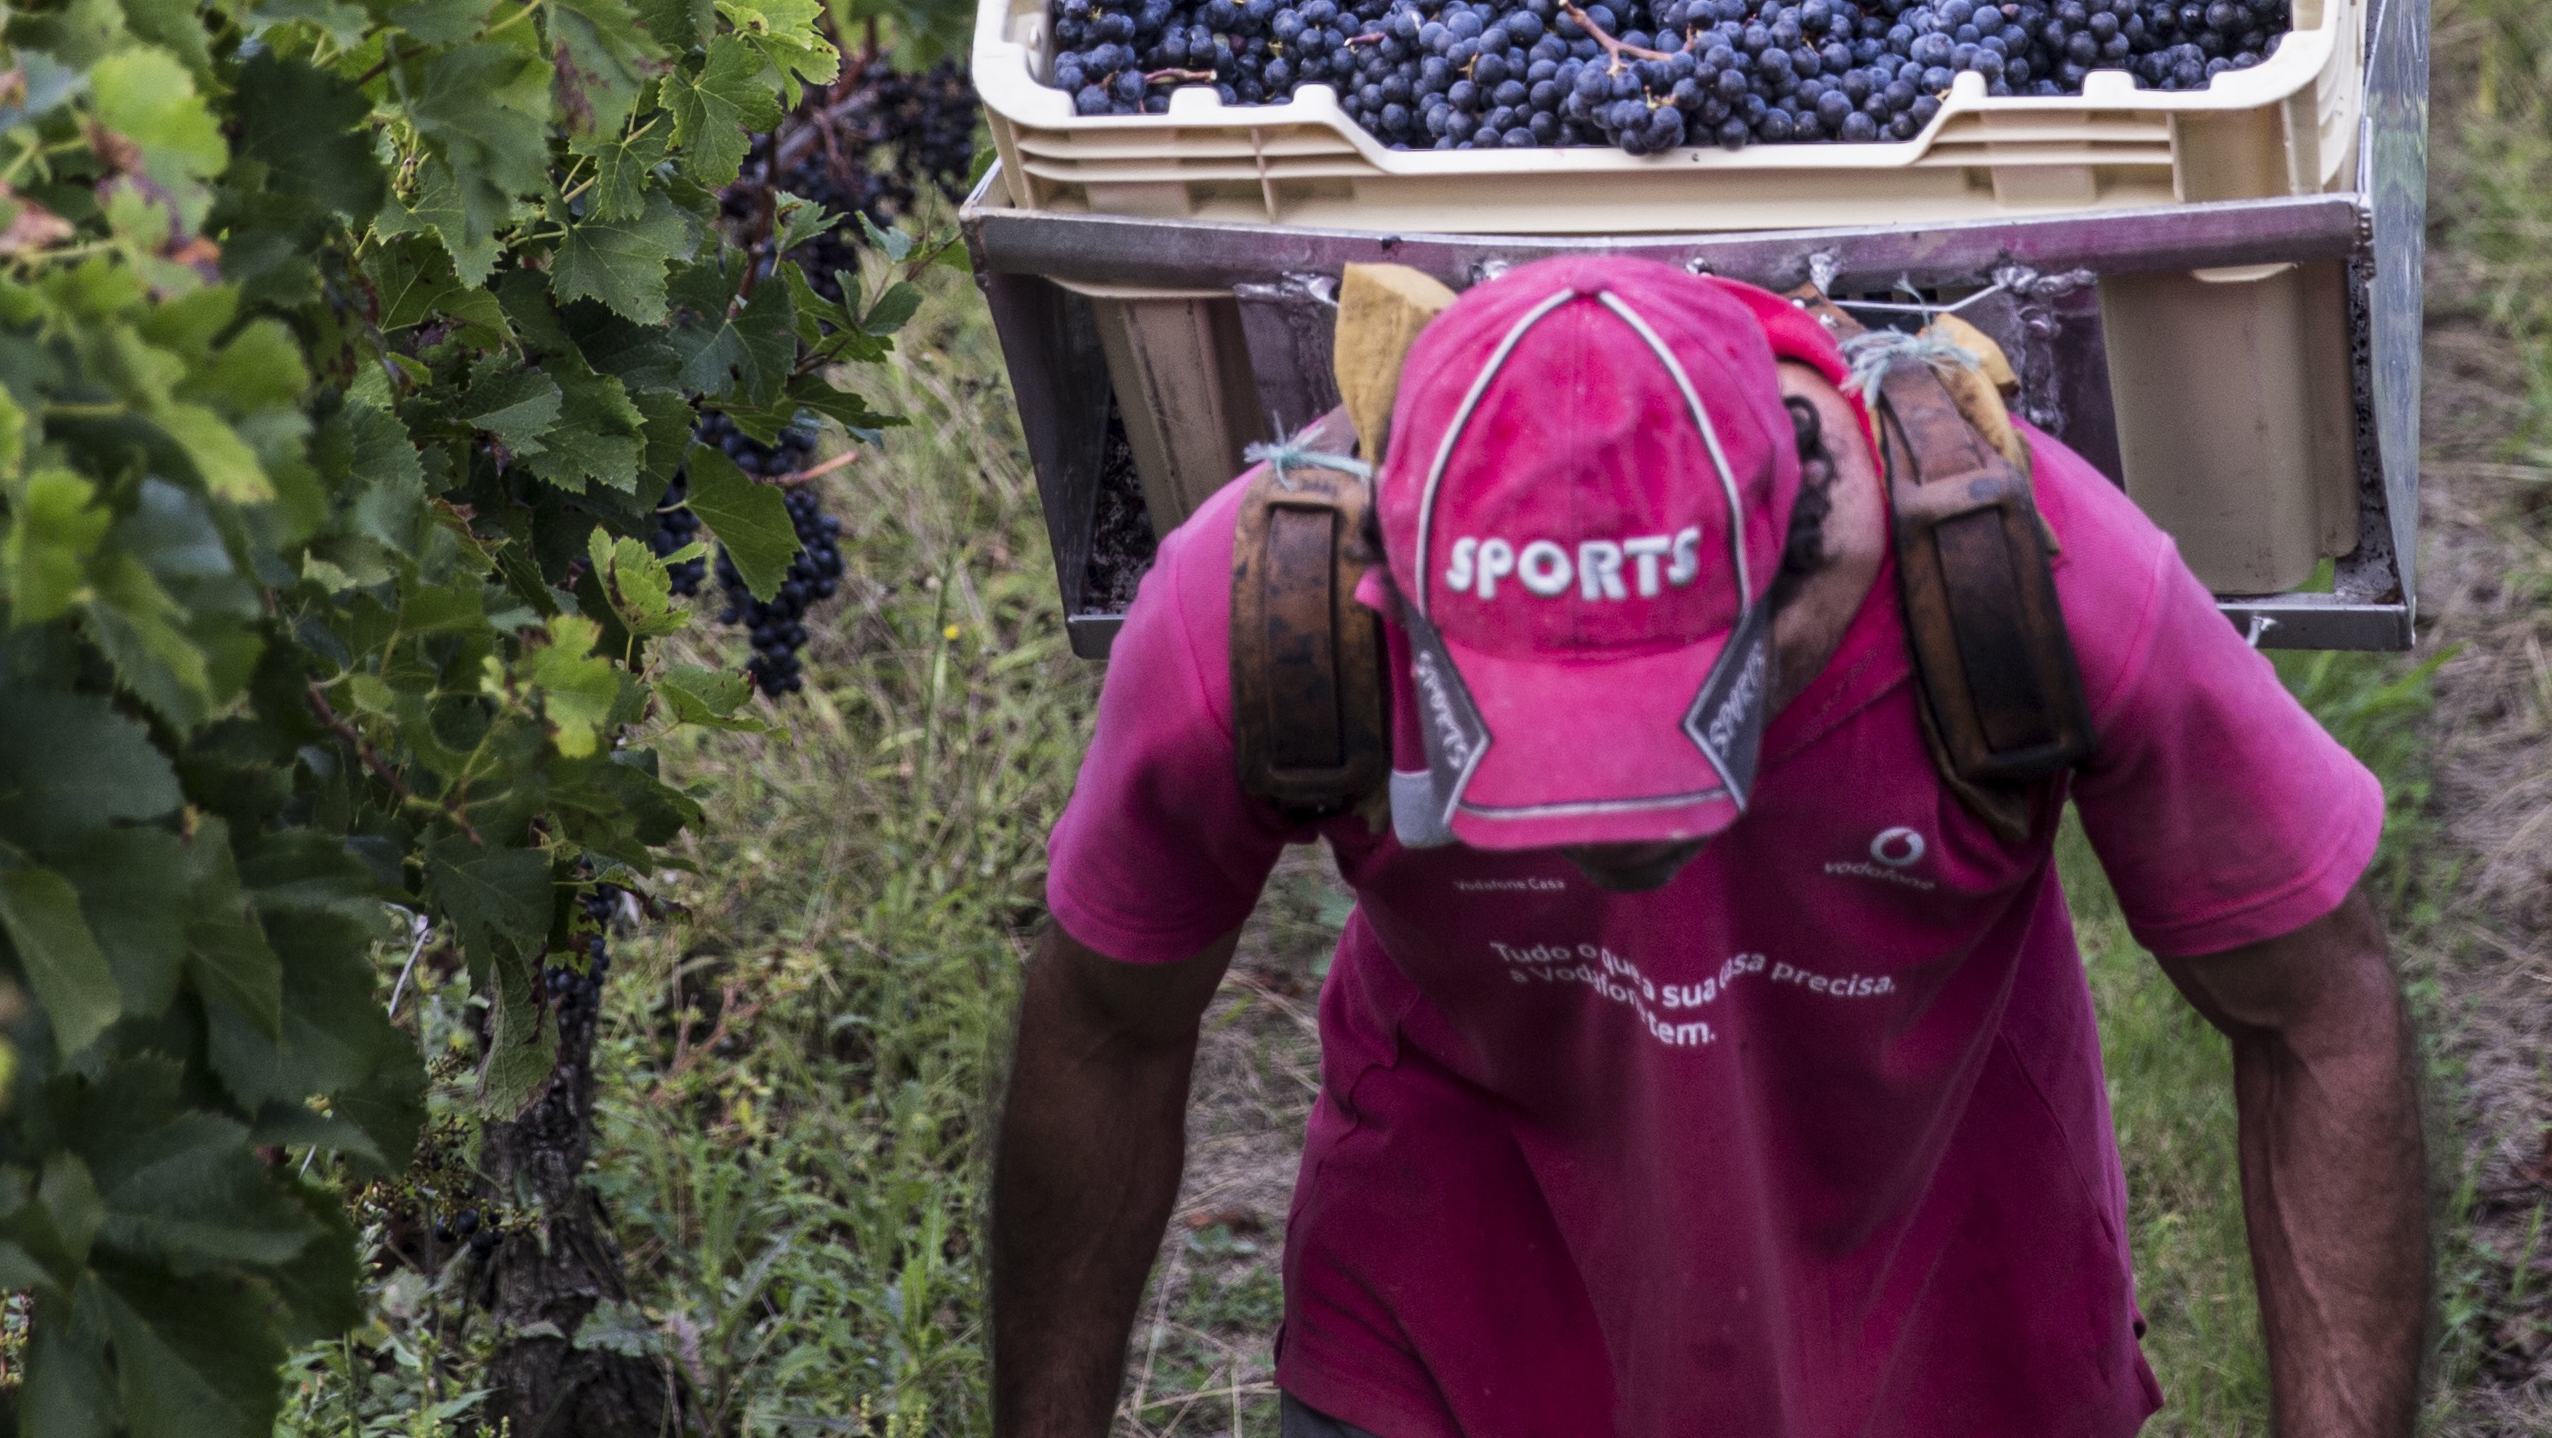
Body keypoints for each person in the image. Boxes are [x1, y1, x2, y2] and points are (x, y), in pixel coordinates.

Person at [990, 256, 2432, 1438]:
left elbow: (2316, 1015)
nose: (1605, 823)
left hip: (1950, 1355)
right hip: (1442, 1348)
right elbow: (1105, 1029)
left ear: (1803, 540)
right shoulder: (1278, 603)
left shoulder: (2023, 575)